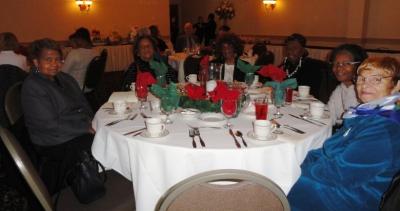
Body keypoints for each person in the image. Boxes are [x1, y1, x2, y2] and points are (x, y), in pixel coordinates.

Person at [288, 57, 400, 211]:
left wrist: (295, 171)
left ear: (396, 85)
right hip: (338, 182)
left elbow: (341, 174)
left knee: (279, 185)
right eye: (361, 78)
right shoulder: (367, 113)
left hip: (353, 197)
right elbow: (328, 148)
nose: (365, 84)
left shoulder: (386, 128)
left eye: (377, 79)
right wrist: (298, 161)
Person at [21, 38, 94, 194]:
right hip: (51, 139)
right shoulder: (33, 86)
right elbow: (50, 125)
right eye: (48, 60)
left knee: (105, 134)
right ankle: (89, 185)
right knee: (97, 142)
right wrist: (85, 128)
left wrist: (92, 120)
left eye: (58, 59)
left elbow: (83, 103)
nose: (54, 64)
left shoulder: (65, 78)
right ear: (36, 62)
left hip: (72, 128)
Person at [327, 44, 368, 126]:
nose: (338, 68)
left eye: (346, 64)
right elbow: (329, 115)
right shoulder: (339, 89)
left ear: (359, 65)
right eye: (335, 63)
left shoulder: (365, 92)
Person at [280, 33, 329, 100]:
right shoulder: (285, 65)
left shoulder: (313, 66)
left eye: (295, 48)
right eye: (288, 48)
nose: (290, 51)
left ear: (303, 50)